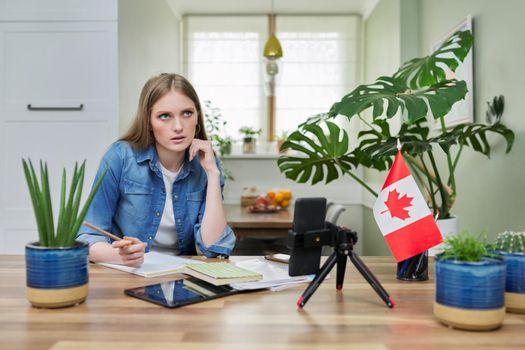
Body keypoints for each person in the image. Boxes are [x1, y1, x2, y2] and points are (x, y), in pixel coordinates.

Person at [77, 73, 235, 266]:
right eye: (164, 116)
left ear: (197, 118)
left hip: (182, 274)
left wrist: (213, 174)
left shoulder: (206, 163)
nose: (178, 126)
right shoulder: (120, 157)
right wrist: (121, 256)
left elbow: (212, 247)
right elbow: (88, 237)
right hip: (128, 274)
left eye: (187, 113)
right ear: (149, 122)